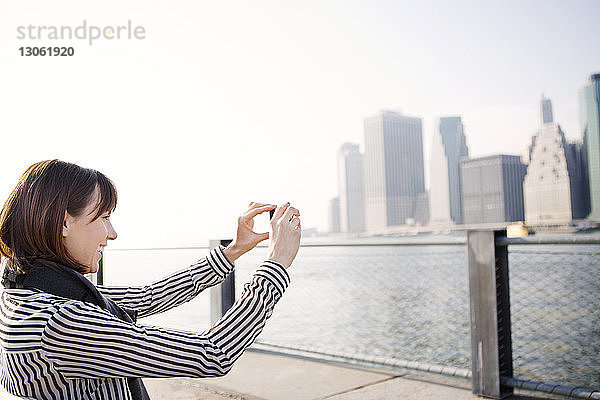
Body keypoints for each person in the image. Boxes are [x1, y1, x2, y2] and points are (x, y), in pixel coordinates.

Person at [0, 159, 301, 400]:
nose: (112, 233)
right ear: (64, 222)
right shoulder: (57, 321)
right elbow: (212, 353)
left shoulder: (29, 290)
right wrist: (276, 264)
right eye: (103, 218)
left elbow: (148, 296)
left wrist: (233, 250)